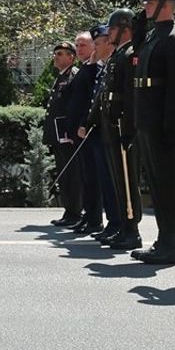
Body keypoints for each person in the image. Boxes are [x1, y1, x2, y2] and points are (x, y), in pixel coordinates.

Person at [131, 0, 175, 265]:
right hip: (148, 118)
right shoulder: (153, 36)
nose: (145, 7)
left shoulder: (173, 37)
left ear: (166, 4)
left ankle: (171, 242)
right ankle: (162, 239)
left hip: (163, 121)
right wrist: (141, 22)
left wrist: (171, 123)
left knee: (168, 183)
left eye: (150, 3)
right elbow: (136, 51)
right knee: (156, 182)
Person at [89, 9, 142, 252]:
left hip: (122, 124)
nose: (109, 33)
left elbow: (131, 96)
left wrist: (130, 127)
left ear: (124, 28)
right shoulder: (117, 55)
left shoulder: (131, 54)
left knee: (127, 179)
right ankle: (123, 226)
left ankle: (132, 229)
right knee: (117, 179)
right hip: (112, 123)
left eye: (112, 29)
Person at [75, 26, 122, 240]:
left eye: (99, 43)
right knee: (102, 179)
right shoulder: (101, 67)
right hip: (99, 131)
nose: (96, 47)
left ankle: (118, 224)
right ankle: (112, 223)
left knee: (111, 181)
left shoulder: (116, 64)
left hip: (111, 131)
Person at [64, 31, 111, 235]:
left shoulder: (95, 70)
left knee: (94, 177)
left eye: (83, 45)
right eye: (77, 45)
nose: (78, 49)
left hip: (90, 130)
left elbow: (92, 101)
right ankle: (89, 215)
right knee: (86, 177)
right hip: (81, 131)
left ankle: (95, 219)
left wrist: (84, 123)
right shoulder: (87, 68)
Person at [46, 41, 83, 228]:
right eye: (56, 53)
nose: (56, 56)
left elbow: (73, 107)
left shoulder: (73, 76)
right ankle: (69, 211)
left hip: (67, 134)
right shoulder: (61, 76)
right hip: (59, 134)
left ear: (71, 57)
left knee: (72, 174)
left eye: (61, 53)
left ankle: (75, 212)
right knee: (64, 173)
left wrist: (70, 130)